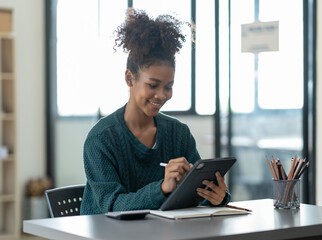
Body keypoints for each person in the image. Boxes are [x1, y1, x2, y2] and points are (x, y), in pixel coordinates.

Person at [80, 9, 230, 215]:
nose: (161, 95)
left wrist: (215, 197)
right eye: (153, 85)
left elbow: (192, 197)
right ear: (130, 79)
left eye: (168, 87)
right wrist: (162, 188)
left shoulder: (178, 134)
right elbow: (112, 206)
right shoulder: (101, 139)